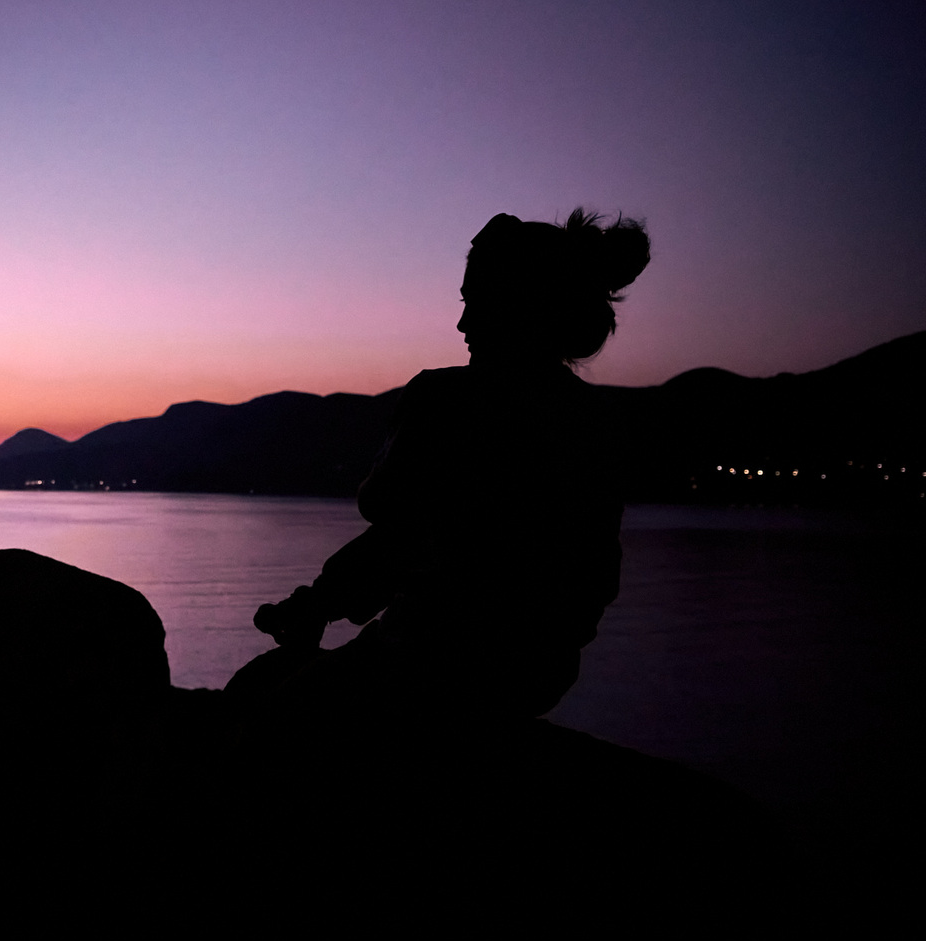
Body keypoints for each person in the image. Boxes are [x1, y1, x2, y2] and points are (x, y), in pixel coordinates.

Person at [228, 208, 650, 724]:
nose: (462, 324)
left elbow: (394, 526)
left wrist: (316, 605)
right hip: (538, 675)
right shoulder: (596, 421)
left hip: (427, 663)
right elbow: (587, 572)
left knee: (263, 711)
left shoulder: (446, 398)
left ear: (523, 309)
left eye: (477, 303)